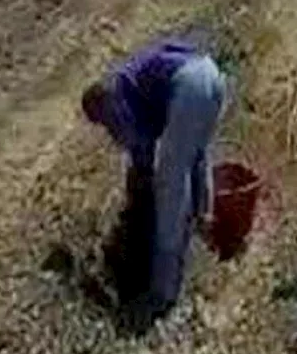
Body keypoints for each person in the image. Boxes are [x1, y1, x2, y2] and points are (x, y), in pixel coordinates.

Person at [80, 36, 227, 330]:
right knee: (194, 154)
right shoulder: (134, 75)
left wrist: (141, 175)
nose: (106, 125)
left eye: (100, 120)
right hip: (212, 75)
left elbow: (140, 143)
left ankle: (162, 292)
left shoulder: (114, 95)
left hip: (189, 85)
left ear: (98, 106)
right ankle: (204, 218)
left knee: (171, 181)